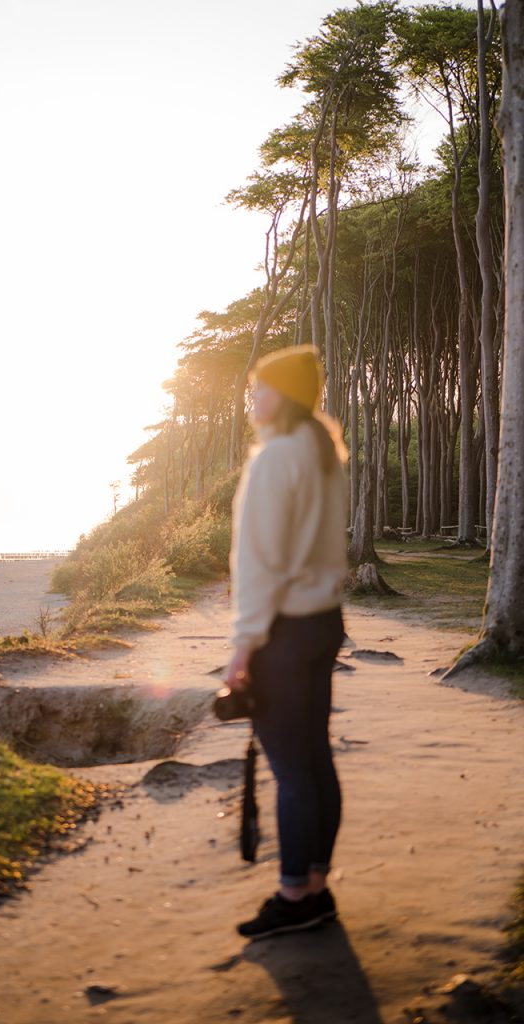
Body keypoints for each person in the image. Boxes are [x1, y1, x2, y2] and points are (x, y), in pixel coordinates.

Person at [225, 343, 348, 940]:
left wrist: (242, 650)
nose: (254, 398)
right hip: (324, 623)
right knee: (315, 760)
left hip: (283, 634)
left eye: (261, 387)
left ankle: (295, 894)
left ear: (285, 395)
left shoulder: (275, 459)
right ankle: (317, 887)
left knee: (293, 771)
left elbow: (258, 566)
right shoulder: (323, 451)